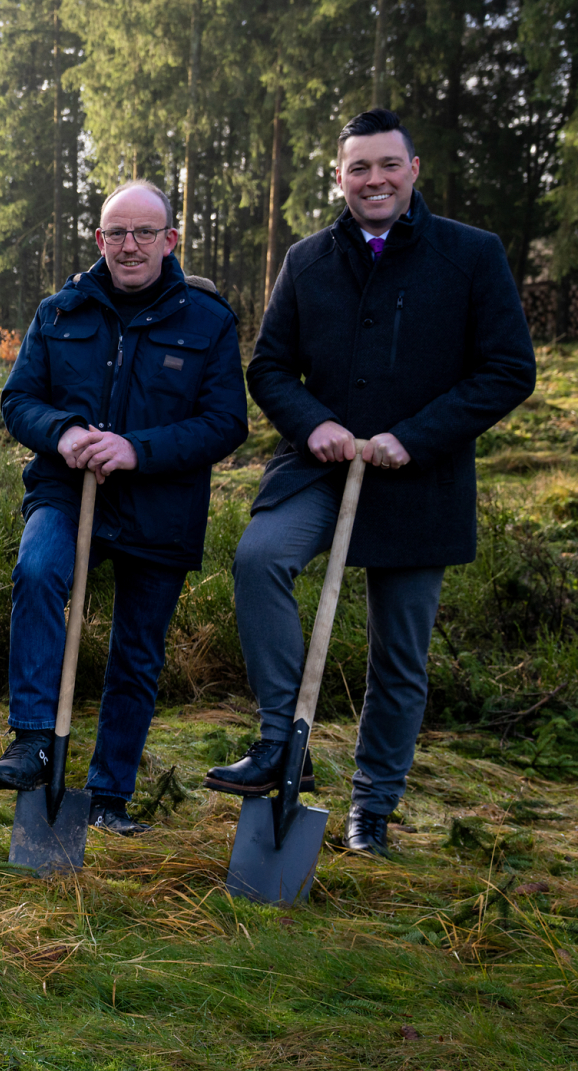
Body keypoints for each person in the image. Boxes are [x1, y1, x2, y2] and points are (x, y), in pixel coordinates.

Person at [209, 108, 535, 854]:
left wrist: (412, 438)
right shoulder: (308, 259)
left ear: (413, 171)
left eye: (389, 164)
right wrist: (312, 422)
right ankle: (279, 744)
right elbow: (268, 365)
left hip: (420, 478)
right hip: (320, 466)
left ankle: (373, 808)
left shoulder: (471, 255)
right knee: (260, 559)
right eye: (359, 167)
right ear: (339, 177)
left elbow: (510, 368)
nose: (375, 179)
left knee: (399, 654)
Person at [0, 180, 247, 833]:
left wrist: (138, 450)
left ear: (170, 240)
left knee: (137, 651)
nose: (129, 246)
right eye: (117, 234)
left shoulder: (209, 322)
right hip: (66, 489)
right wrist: (65, 433)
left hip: (161, 503)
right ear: (98, 239)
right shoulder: (59, 312)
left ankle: (109, 797)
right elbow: (18, 401)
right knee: (38, 570)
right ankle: (34, 739)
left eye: (145, 233)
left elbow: (224, 424)